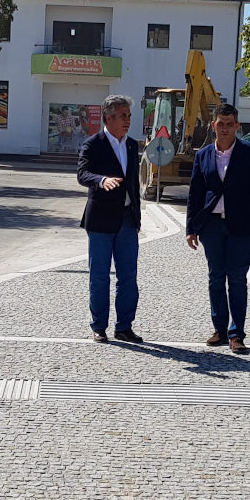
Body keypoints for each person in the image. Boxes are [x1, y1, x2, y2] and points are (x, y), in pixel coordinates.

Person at [186, 103, 250, 354]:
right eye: (220, 124)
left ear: (237, 126)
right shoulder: (203, 156)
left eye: (229, 124)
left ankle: (237, 334)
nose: (224, 129)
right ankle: (220, 330)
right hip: (211, 225)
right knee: (215, 277)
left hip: (242, 225)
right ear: (213, 125)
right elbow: (195, 193)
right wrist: (191, 227)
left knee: (236, 279)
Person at [77, 94, 142, 344]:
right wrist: (102, 180)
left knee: (128, 277)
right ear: (108, 117)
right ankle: (99, 327)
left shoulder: (132, 145)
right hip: (101, 220)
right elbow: (82, 174)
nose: (127, 121)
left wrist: (137, 216)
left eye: (129, 116)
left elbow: (134, 183)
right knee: (100, 276)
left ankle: (124, 327)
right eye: (123, 116)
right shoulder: (93, 144)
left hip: (127, 219)